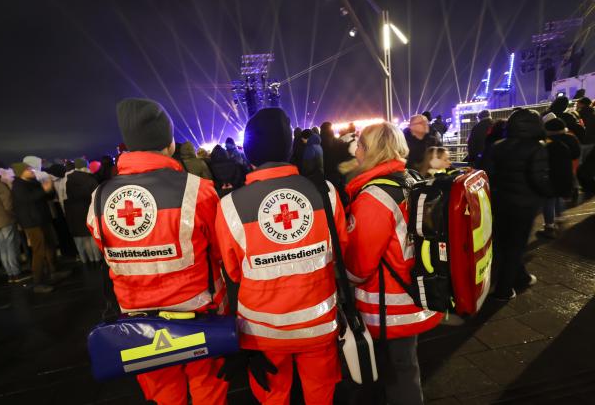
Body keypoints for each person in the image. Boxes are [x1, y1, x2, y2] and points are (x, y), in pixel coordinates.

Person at [86, 98, 228, 405]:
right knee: (208, 388)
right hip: (200, 314)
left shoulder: (100, 199)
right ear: (169, 143)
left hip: (138, 322)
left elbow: (106, 250)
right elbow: (220, 251)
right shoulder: (199, 190)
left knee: (163, 394)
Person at [215, 108, 347, 405]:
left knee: (273, 397)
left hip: (262, 332)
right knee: (320, 394)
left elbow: (233, 271)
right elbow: (341, 251)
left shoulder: (230, 205)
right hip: (319, 322)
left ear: (248, 152)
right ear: (289, 148)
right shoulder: (325, 192)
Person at [344, 122, 442, 404]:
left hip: (389, 306)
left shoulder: (374, 197)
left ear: (369, 150)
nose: (356, 151)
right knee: (407, 367)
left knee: (397, 374)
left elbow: (359, 267)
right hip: (415, 292)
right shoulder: (410, 179)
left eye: (360, 145)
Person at [483, 109, 552, 301]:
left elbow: (487, 173)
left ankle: (520, 276)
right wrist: (548, 192)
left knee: (502, 243)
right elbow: (539, 179)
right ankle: (503, 290)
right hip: (524, 205)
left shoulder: (498, 146)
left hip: (499, 203)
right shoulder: (537, 147)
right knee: (516, 245)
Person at [11, 162, 57, 294]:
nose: (31, 170)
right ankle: (38, 282)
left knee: (50, 245)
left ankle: (53, 271)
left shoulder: (33, 182)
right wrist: (44, 189)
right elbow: (28, 199)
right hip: (32, 223)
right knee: (39, 251)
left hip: (42, 219)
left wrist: (50, 188)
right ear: (21, 172)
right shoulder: (18, 185)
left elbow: (47, 196)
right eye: (27, 169)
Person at [537, 115, 581, 239]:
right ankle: (559, 216)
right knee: (559, 195)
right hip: (566, 171)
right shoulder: (571, 138)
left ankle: (549, 226)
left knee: (549, 199)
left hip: (550, 174)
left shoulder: (545, 142)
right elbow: (576, 154)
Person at [64, 158, 101, 265]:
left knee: (84, 238)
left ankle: (87, 260)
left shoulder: (69, 180)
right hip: (89, 209)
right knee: (91, 236)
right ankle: (97, 259)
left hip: (76, 212)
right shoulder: (90, 179)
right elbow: (96, 196)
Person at [576, 97, 595, 162]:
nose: (576, 104)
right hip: (592, 141)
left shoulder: (578, 114)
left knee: (581, 162)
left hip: (582, 141)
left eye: (577, 103)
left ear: (582, 104)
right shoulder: (593, 112)